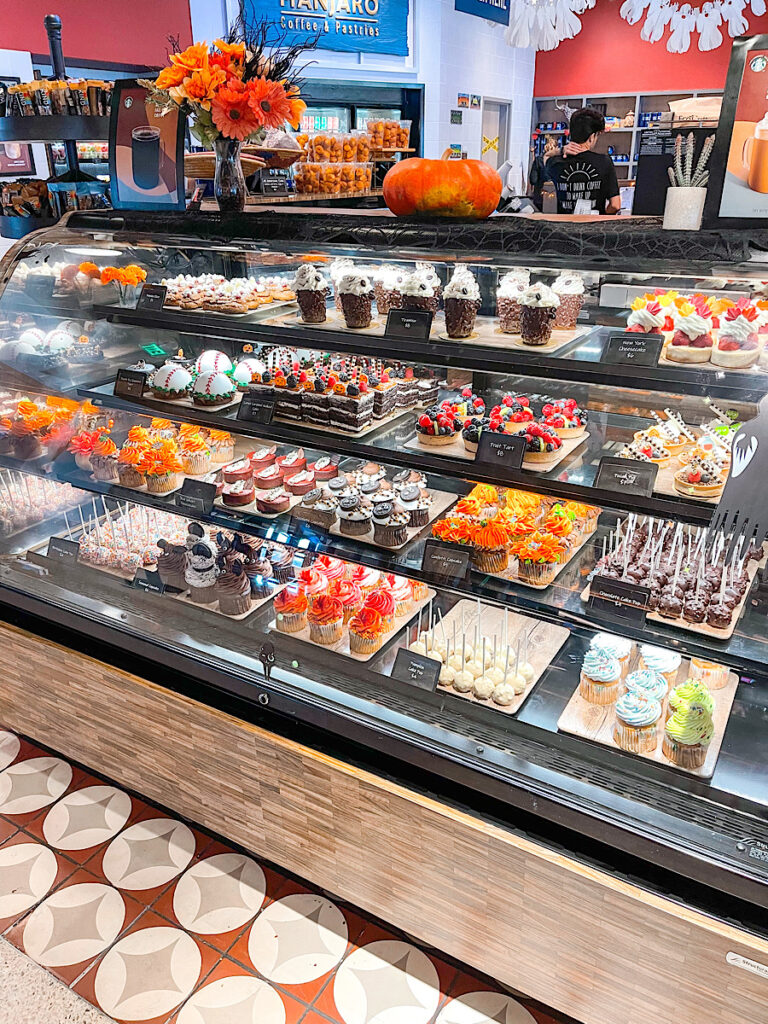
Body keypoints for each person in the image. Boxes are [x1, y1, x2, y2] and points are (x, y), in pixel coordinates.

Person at [545, 107, 621, 216]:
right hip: (594, 229)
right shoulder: (604, 162)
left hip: (564, 228)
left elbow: (546, 156)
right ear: (591, 137)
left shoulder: (556, 163)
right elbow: (615, 205)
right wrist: (601, 216)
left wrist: (561, 150)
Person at [529, 135, 557, 212]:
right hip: (556, 199)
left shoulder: (538, 160)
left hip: (540, 199)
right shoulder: (559, 162)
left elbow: (533, 180)